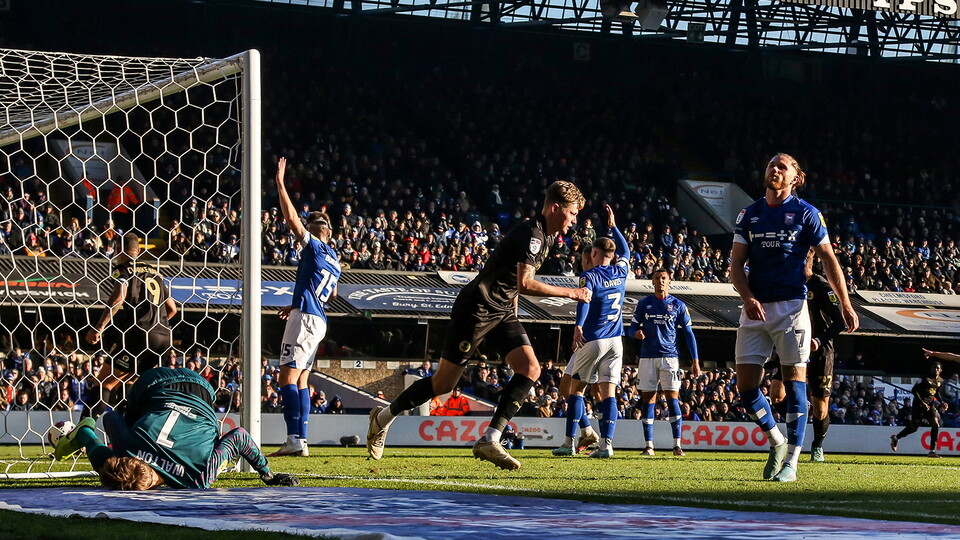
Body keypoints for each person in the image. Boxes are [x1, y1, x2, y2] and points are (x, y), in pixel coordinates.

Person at [367, 181, 591, 470]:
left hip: (502, 310)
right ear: (556, 208)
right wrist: (572, 293)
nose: (574, 220)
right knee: (444, 384)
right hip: (476, 308)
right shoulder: (532, 234)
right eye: (573, 213)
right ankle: (382, 418)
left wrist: (513, 318)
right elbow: (525, 283)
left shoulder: (546, 238)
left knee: (531, 369)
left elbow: (512, 281)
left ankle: (491, 438)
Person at [731, 153, 858, 483]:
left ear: (795, 178)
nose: (774, 169)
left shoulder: (807, 213)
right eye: (771, 164)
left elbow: (828, 259)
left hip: (791, 308)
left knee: (795, 381)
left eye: (782, 167)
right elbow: (736, 266)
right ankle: (776, 439)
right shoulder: (749, 214)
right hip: (755, 307)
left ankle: (792, 462)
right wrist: (747, 298)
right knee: (746, 386)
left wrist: (845, 303)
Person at [54, 367, 298, 489]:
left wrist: (267, 474)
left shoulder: (198, 479)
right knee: (127, 420)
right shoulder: (125, 449)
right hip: (155, 381)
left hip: (202, 390)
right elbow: (109, 418)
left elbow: (239, 437)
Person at [270, 157, 341, 457]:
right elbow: (332, 294)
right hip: (318, 318)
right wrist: (297, 301)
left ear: (316, 230)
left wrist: (280, 183)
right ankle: (302, 440)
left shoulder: (314, 246)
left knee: (285, 377)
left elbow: (290, 219)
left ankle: (293, 440)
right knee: (301, 379)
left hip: (306, 318)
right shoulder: (335, 260)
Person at [553, 204, 626, 458]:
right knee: (608, 394)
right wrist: (613, 227)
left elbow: (584, 300)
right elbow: (626, 250)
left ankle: (569, 443)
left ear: (593, 253)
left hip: (594, 338)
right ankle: (606, 445)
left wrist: (578, 326)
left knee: (576, 390)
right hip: (616, 341)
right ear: (612, 256)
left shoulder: (590, 276)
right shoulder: (621, 271)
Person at [84, 232, 177, 419]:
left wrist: (99, 327)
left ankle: (82, 433)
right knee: (129, 382)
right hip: (164, 337)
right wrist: (156, 323)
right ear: (139, 250)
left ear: (118, 250)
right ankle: (127, 433)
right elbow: (173, 308)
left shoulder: (123, 269)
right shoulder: (155, 272)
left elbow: (119, 296)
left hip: (140, 333)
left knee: (104, 383)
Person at [766, 249, 846, 462]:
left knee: (820, 408)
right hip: (793, 347)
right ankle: (798, 418)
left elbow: (840, 323)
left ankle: (817, 445)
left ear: (806, 263)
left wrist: (818, 340)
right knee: (777, 394)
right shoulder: (790, 284)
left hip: (820, 351)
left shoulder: (821, 286)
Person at [630, 267, 700, 457]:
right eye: (657, 278)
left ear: (669, 281)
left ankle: (677, 445)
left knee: (673, 399)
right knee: (648, 400)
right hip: (647, 357)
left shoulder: (678, 305)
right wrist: (636, 334)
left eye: (663, 278)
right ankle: (649, 446)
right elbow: (631, 328)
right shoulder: (644, 303)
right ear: (652, 282)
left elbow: (689, 333)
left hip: (670, 357)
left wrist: (695, 360)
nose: (660, 281)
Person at [890, 360, 944, 457]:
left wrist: (942, 402)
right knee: (914, 428)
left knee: (936, 425)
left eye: (937, 368)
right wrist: (922, 403)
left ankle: (932, 451)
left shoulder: (940, 381)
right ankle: (896, 438)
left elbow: (936, 393)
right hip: (919, 405)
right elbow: (914, 390)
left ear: (940, 370)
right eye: (934, 368)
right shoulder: (925, 378)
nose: (935, 369)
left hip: (930, 405)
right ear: (931, 369)